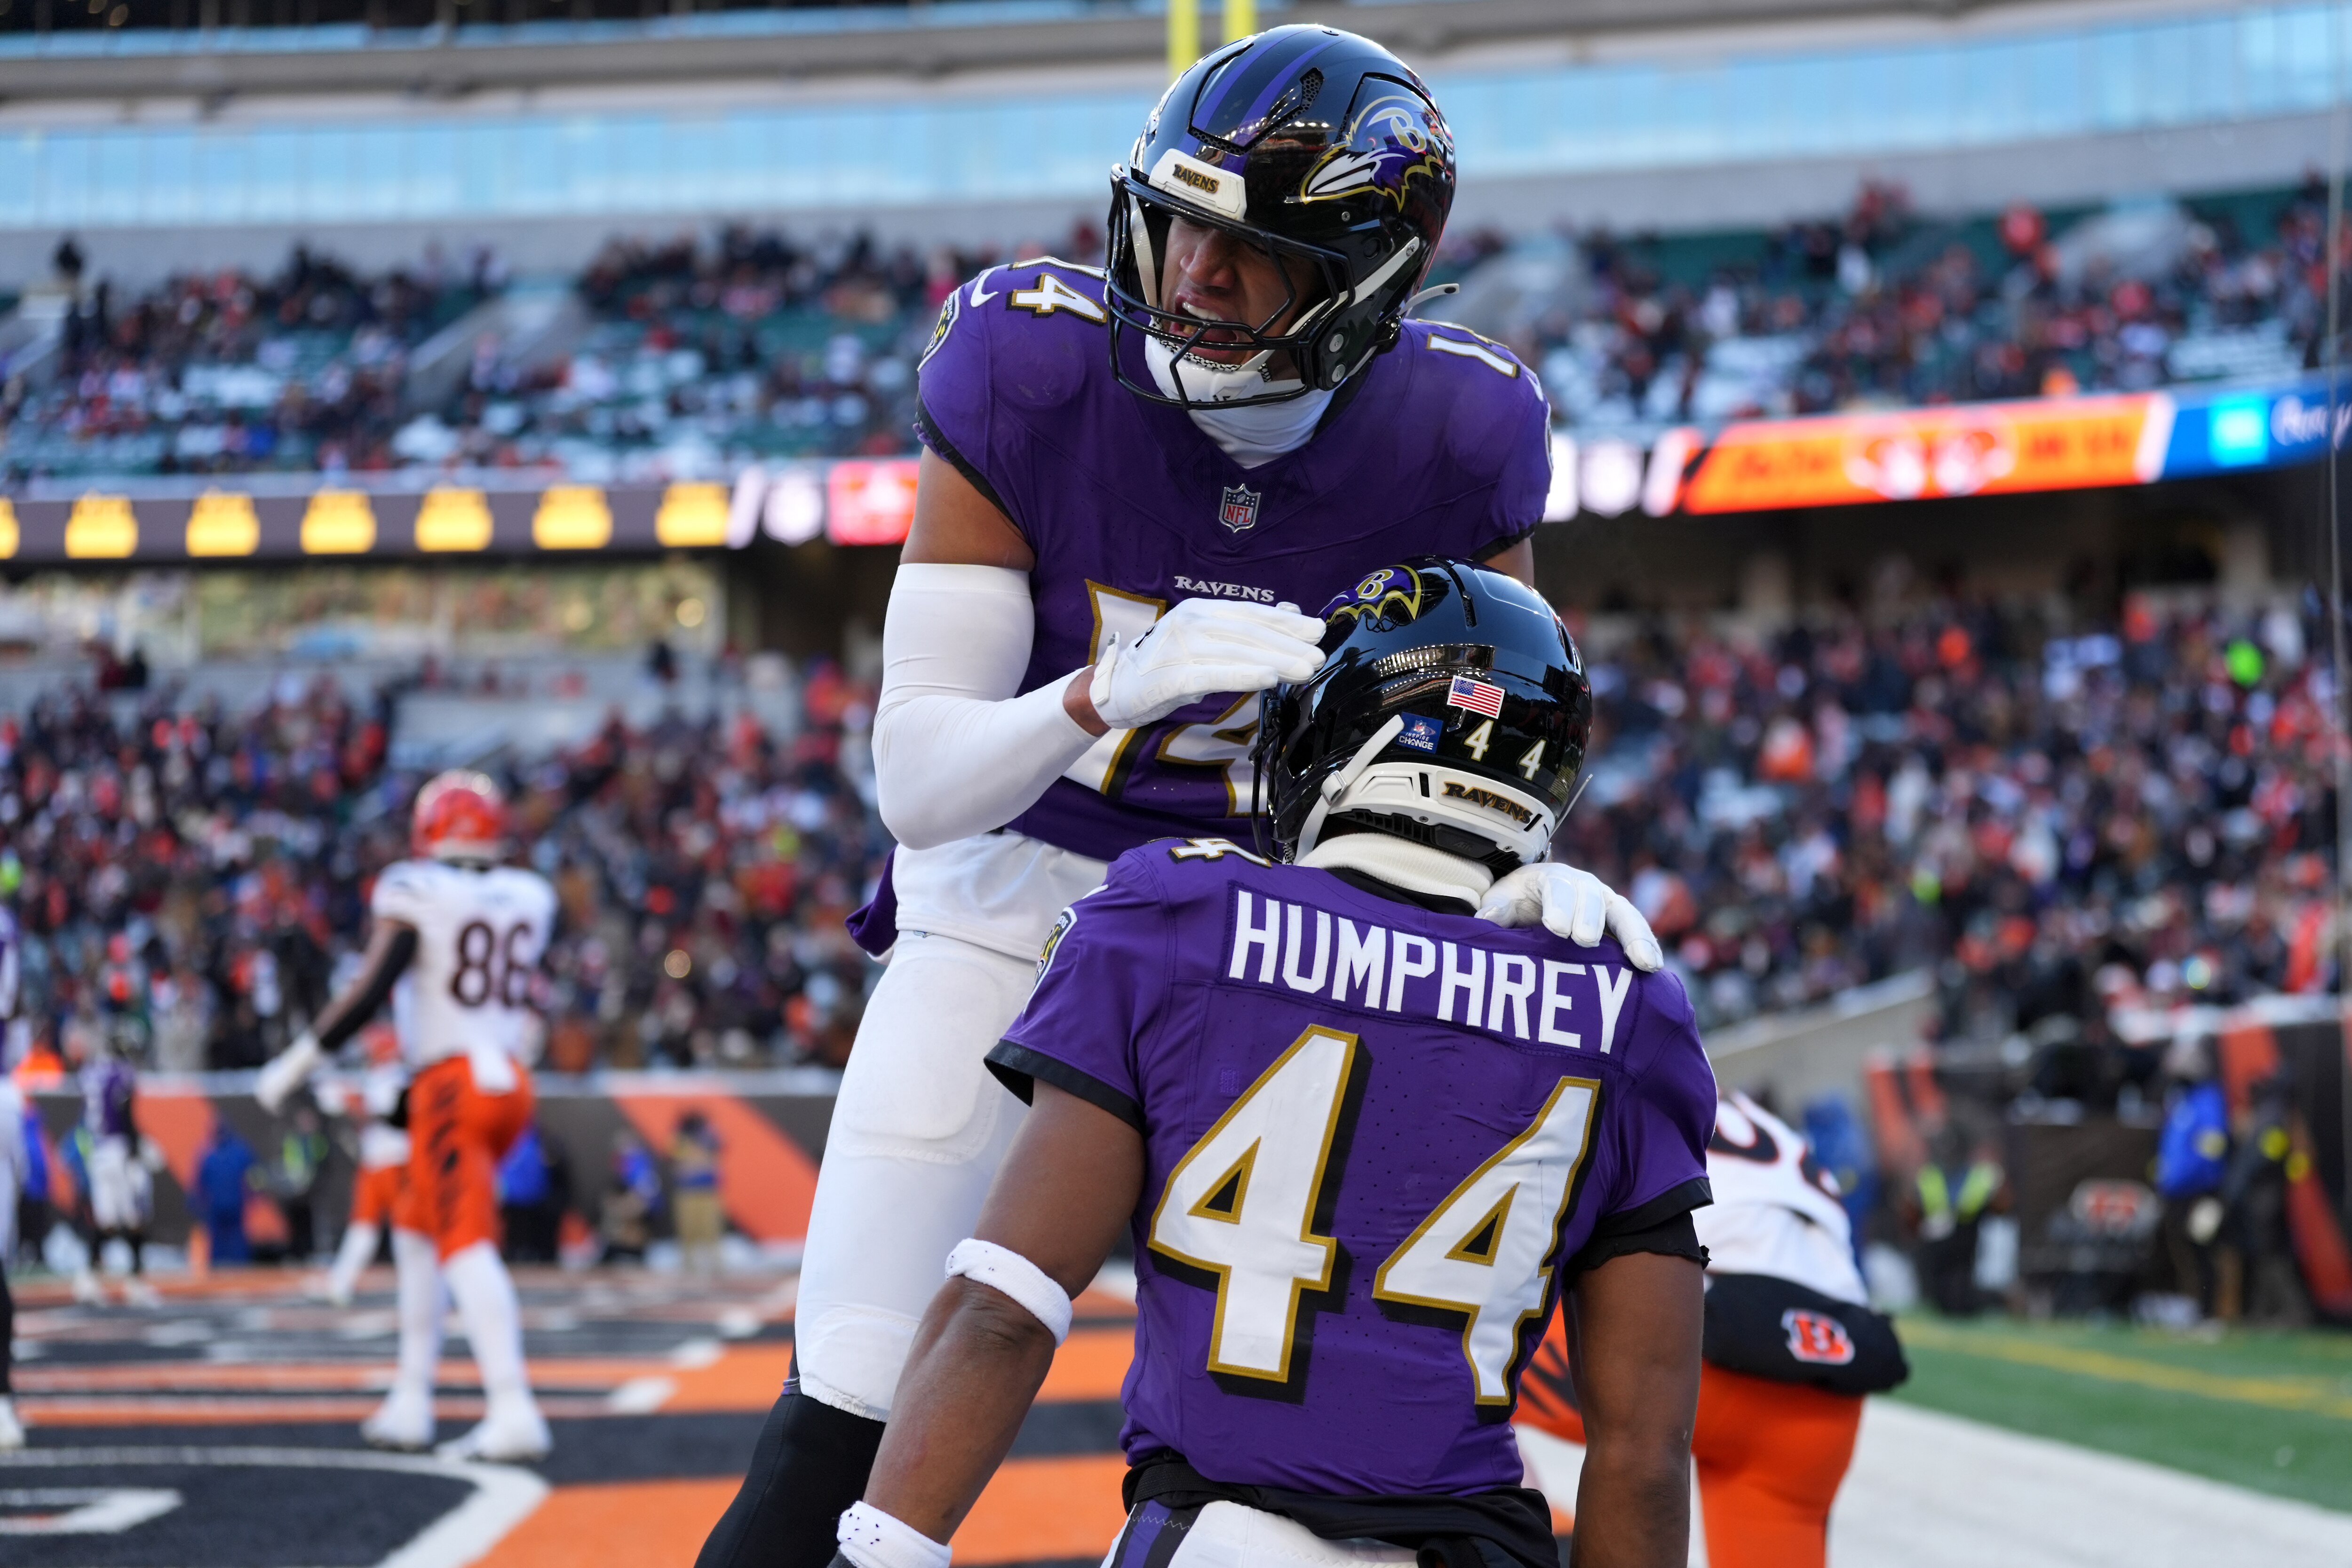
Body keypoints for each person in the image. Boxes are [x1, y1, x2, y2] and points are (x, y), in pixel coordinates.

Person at [700, 32, 1662, 1565]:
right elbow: (920, 778)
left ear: (1362, 280)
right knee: (860, 1393)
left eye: (1257, 248)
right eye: (1183, 220)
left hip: (1277, 948)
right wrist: (1102, 688)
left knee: (1328, 1440)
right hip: (1016, 907)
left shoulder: (1456, 429)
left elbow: (1490, 702)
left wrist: (1529, 863)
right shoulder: (1026, 360)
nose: (1199, 271)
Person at [827, 561, 1712, 1568]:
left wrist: (880, 1549)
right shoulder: (1627, 1002)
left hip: (1218, 1535)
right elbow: (1644, 1450)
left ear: (1328, 734)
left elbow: (1004, 1304)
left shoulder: (1172, 915)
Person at [257, 768, 557, 1461]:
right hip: (504, 1076)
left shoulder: (418, 890)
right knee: (420, 1233)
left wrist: (296, 1063)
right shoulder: (526, 894)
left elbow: (371, 989)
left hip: (450, 1081)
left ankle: (512, 1405)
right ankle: (411, 1397)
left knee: (460, 1241)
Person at [1517, 1090, 1909, 1568]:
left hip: (1687, 1369)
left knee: (1443, 1340)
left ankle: (1532, 1528)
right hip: (1826, 1399)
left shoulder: (1610, 1086)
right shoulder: (1767, 1125)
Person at [317, 1027, 412, 1306]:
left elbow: (379, 1114)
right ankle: (341, 1283)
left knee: (407, 1231)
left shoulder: (398, 1079)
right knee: (362, 1228)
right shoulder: (378, 1078)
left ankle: (417, 1288)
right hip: (375, 1165)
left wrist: (351, 1100)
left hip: (398, 1164)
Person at [72, 1034, 158, 1307]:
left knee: (106, 1220)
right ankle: (136, 1282)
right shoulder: (121, 1073)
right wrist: (136, 1147)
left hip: (98, 1152)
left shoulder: (90, 1073)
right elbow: (125, 1112)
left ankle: (88, 1278)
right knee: (135, 1216)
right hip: (118, 1150)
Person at [197, 1121, 259, 1267]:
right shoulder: (208, 1154)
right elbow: (200, 1182)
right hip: (217, 1206)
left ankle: (239, 1267)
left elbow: (254, 1174)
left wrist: (253, 1196)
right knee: (217, 1241)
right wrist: (199, 1200)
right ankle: (218, 1268)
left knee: (237, 1241)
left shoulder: (238, 1152)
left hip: (234, 1204)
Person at [672, 1110, 723, 1276]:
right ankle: (688, 1263)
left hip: (707, 1192)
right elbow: (673, 1155)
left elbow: (720, 1143)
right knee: (688, 1229)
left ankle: (715, 1263)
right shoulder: (679, 1140)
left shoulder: (708, 1137)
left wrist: (705, 1133)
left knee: (710, 1228)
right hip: (687, 1192)